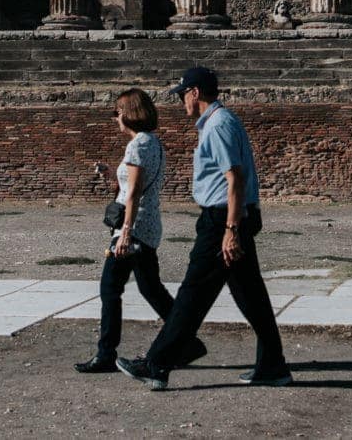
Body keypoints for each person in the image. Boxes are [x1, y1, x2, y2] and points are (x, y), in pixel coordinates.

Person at [117, 66, 292, 391]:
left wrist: (230, 229)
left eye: (183, 93)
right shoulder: (219, 122)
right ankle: (273, 365)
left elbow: (235, 178)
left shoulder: (218, 125)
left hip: (222, 218)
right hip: (229, 216)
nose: (181, 100)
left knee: (193, 293)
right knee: (250, 294)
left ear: (195, 92)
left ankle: (156, 364)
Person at [74, 88, 205, 374]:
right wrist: (112, 174)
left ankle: (106, 353)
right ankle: (187, 341)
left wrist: (124, 233)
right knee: (151, 289)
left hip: (134, 228)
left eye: (118, 111)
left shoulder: (137, 146)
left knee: (110, 289)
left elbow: (133, 194)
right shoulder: (152, 143)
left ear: (130, 113)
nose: (115, 117)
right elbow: (130, 188)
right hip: (147, 225)